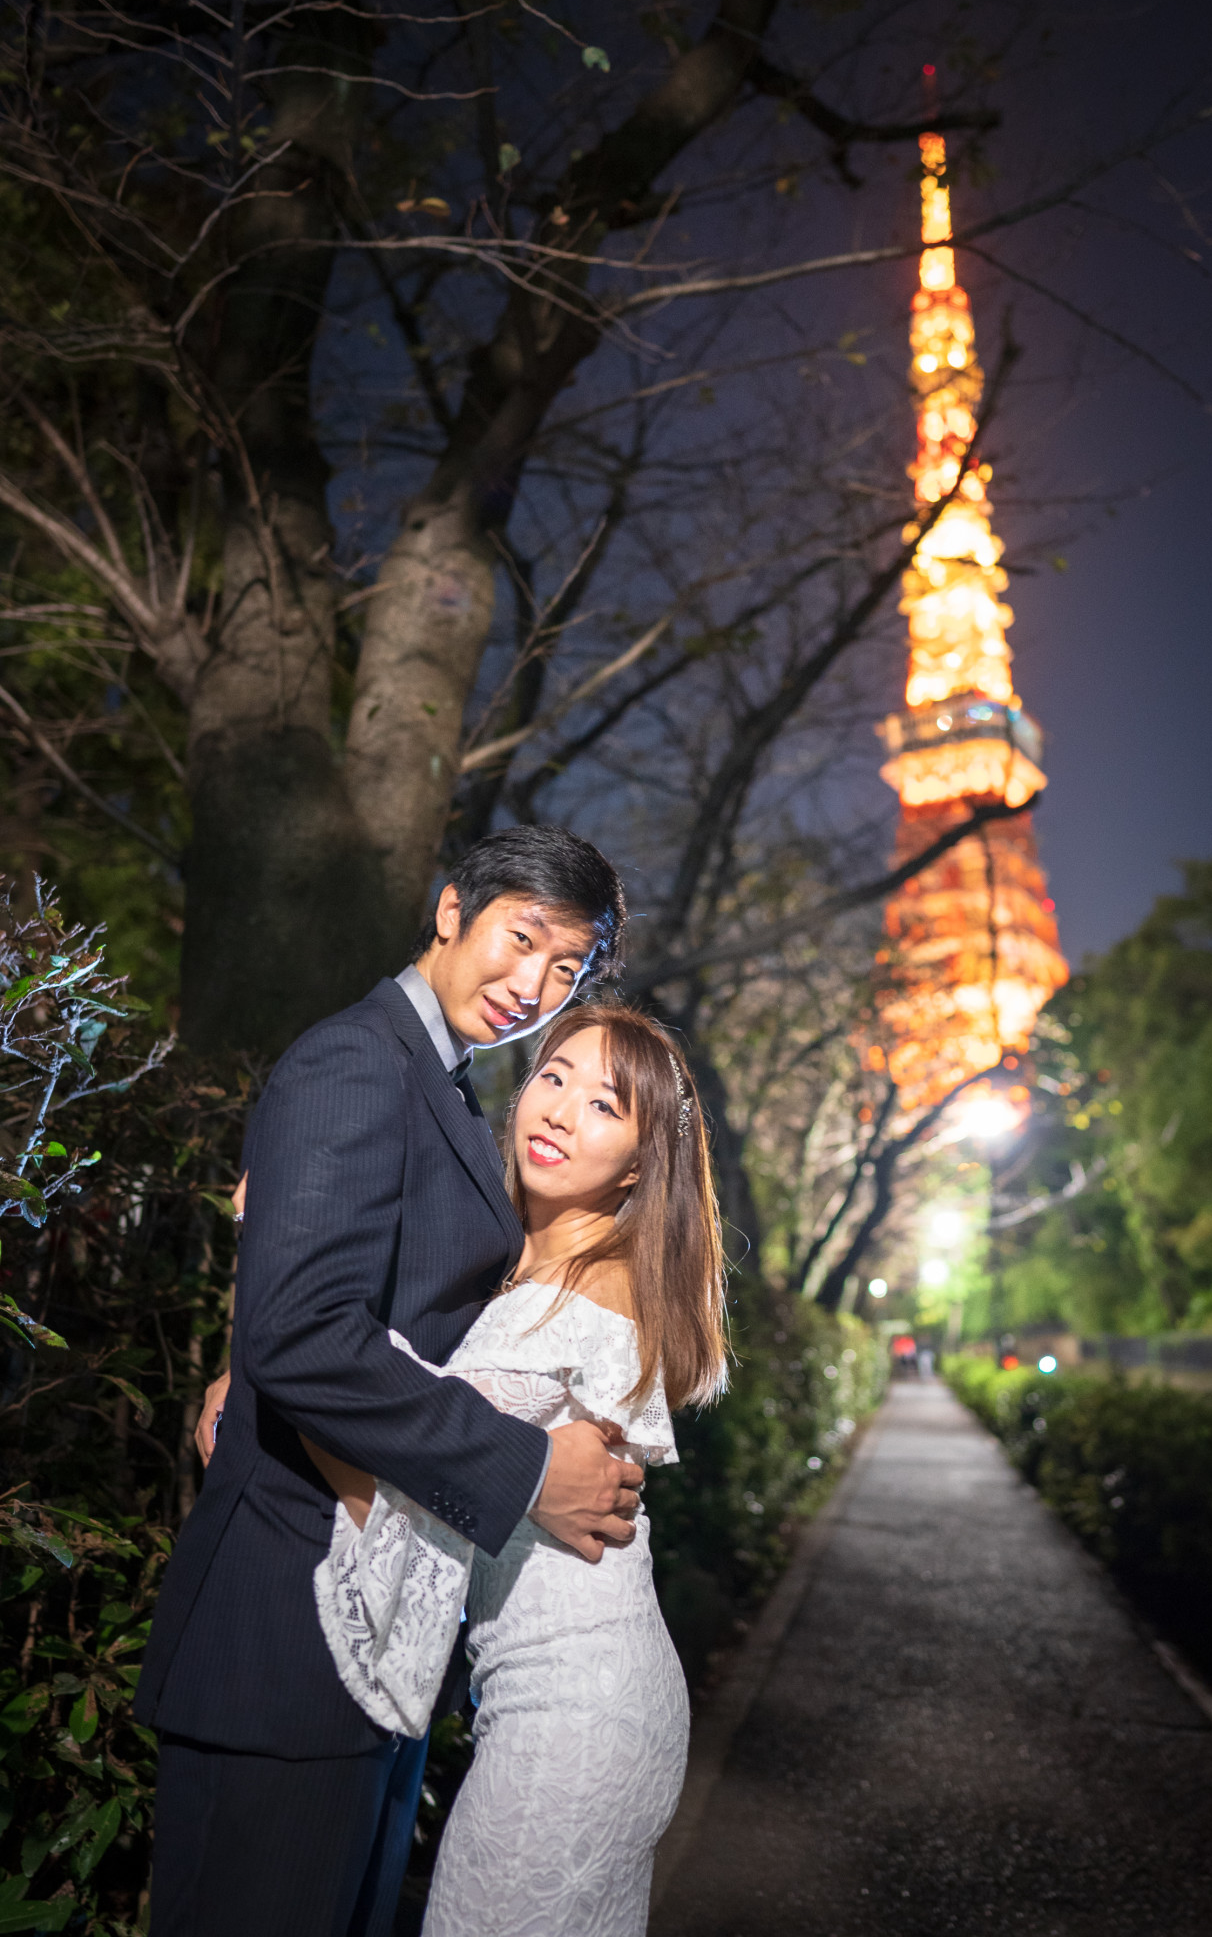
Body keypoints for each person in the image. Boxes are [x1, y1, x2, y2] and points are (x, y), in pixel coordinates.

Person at [134, 827, 644, 1937]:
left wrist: (244, 1344)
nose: (534, 988)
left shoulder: (447, 1088)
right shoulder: (357, 1060)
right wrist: (523, 1473)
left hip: (370, 1638)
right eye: (523, 941)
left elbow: (349, 1307)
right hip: (287, 1634)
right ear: (451, 909)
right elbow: (307, 1336)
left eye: (568, 969)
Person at [305, 1002, 727, 1936]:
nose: (562, 1109)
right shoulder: (524, 1272)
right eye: (553, 1076)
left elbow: (399, 1439)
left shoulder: (593, 1291)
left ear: (637, 1166)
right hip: (568, 1703)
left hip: (577, 1713)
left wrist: (281, 1297)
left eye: (607, 1105)